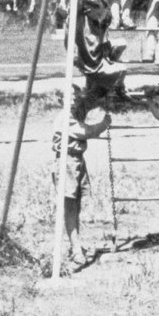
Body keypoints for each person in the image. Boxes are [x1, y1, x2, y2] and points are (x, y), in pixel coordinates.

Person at [50, 93, 109, 272]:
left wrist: (106, 98)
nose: (74, 100)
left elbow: (90, 102)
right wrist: (104, 123)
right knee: (69, 206)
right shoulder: (65, 118)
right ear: (61, 99)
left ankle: (75, 243)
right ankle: (75, 248)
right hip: (66, 162)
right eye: (70, 97)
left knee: (76, 205)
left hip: (77, 160)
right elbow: (87, 132)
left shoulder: (75, 112)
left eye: (76, 96)